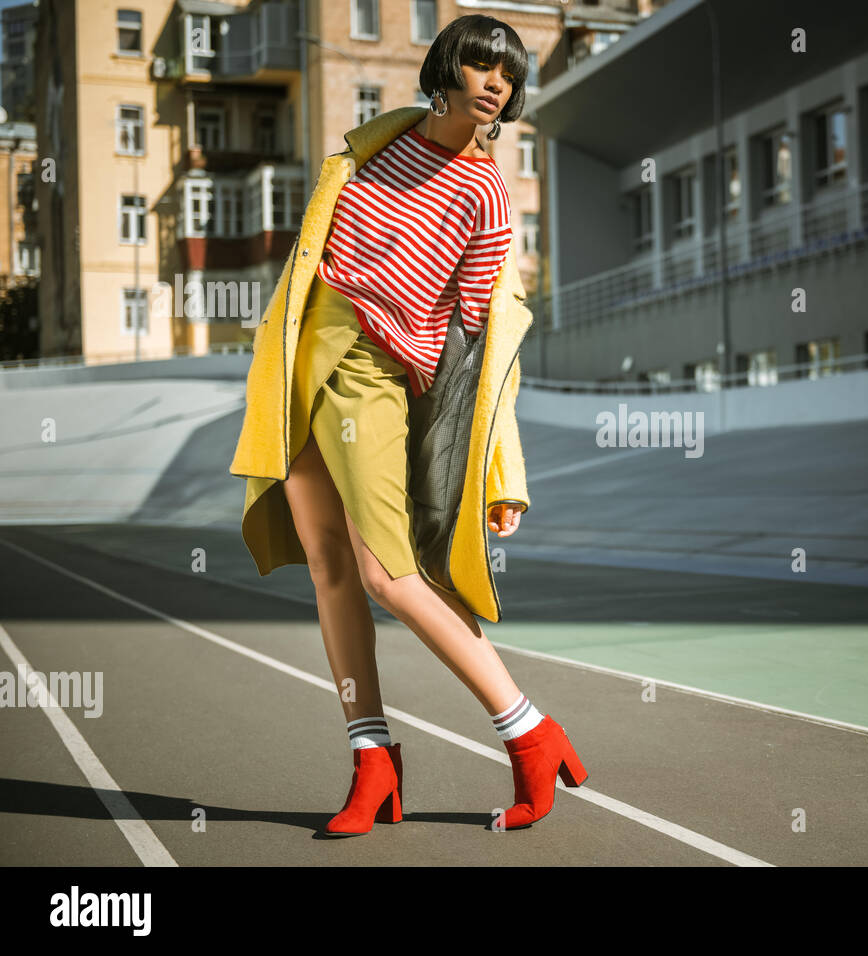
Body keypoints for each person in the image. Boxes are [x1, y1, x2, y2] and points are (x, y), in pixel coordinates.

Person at [228, 15, 587, 835]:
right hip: (304, 352)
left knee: (390, 573)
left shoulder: (486, 191)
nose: (493, 81)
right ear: (446, 66)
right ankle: (373, 762)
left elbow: (484, 347)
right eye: (479, 63)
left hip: (376, 375)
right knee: (328, 568)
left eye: (507, 72)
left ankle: (528, 728)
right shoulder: (378, 144)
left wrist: (500, 472)